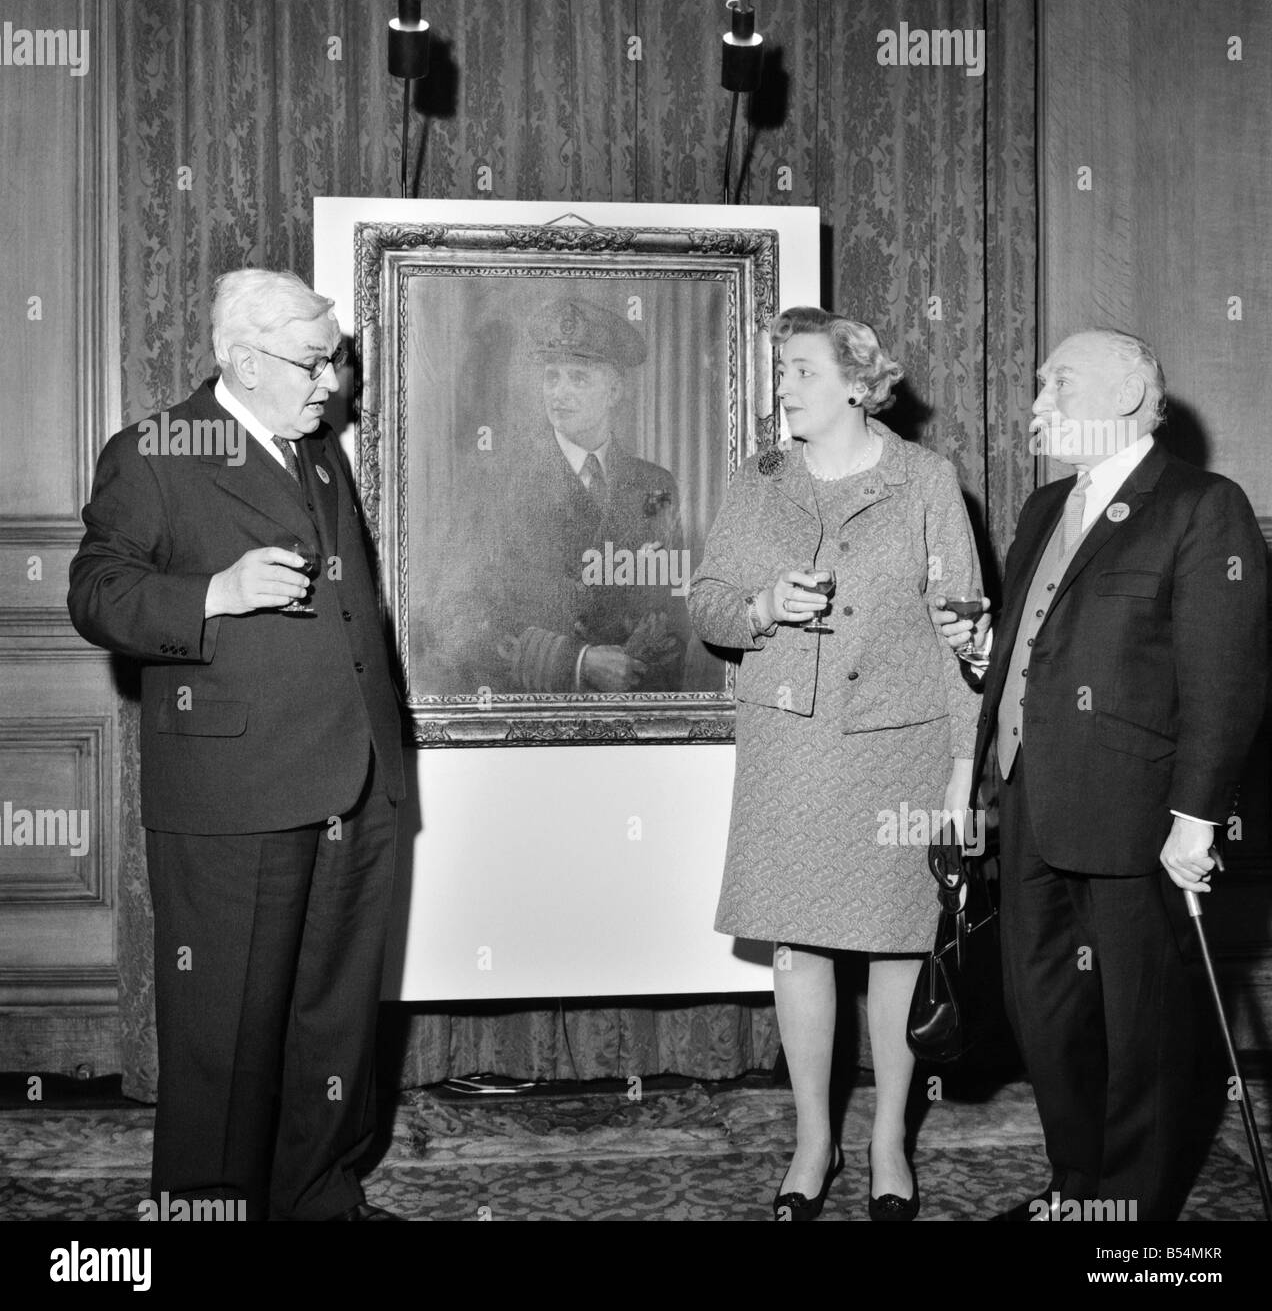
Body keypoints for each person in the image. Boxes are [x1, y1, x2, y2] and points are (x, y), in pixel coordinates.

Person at [67, 269, 406, 1221]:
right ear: (244, 361)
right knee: (224, 1030)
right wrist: (212, 594)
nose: (333, 382)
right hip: (231, 791)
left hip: (354, 781)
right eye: (313, 362)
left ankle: (321, 1200)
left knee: (332, 1023)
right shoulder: (156, 451)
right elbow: (94, 591)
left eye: (334, 360)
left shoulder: (317, 452)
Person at [934, 329, 1267, 1220]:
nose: (1037, 400)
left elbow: (1226, 678)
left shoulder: (1203, 506)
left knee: (1142, 1029)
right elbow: (1042, 646)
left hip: (1137, 815)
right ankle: (1077, 1190)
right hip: (1026, 799)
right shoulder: (1047, 505)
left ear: (1125, 395)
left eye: (1058, 382)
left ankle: (1130, 1214)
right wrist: (984, 662)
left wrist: (1197, 819)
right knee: (1044, 1013)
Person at [689, 306, 983, 1221]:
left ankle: (890, 1136)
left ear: (858, 382)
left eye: (803, 371)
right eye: (781, 372)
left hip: (902, 744)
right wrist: (765, 605)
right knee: (798, 943)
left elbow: (960, 626)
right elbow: (708, 607)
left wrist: (966, 763)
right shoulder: (759, 481)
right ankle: (813, 1139)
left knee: (902, 946)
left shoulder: (926, 480)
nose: (786, 387)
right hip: (791, 743)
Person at [456, 296, 689, 694]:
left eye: (578, 378)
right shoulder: (502, 483)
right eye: (552, 377)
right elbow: (464, 619)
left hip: (631, 715)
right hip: (533, 714)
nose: (559, 393)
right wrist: (578, 663)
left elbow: (671, 617)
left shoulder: (655, 486)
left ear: (614, 390)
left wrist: (632, 674)